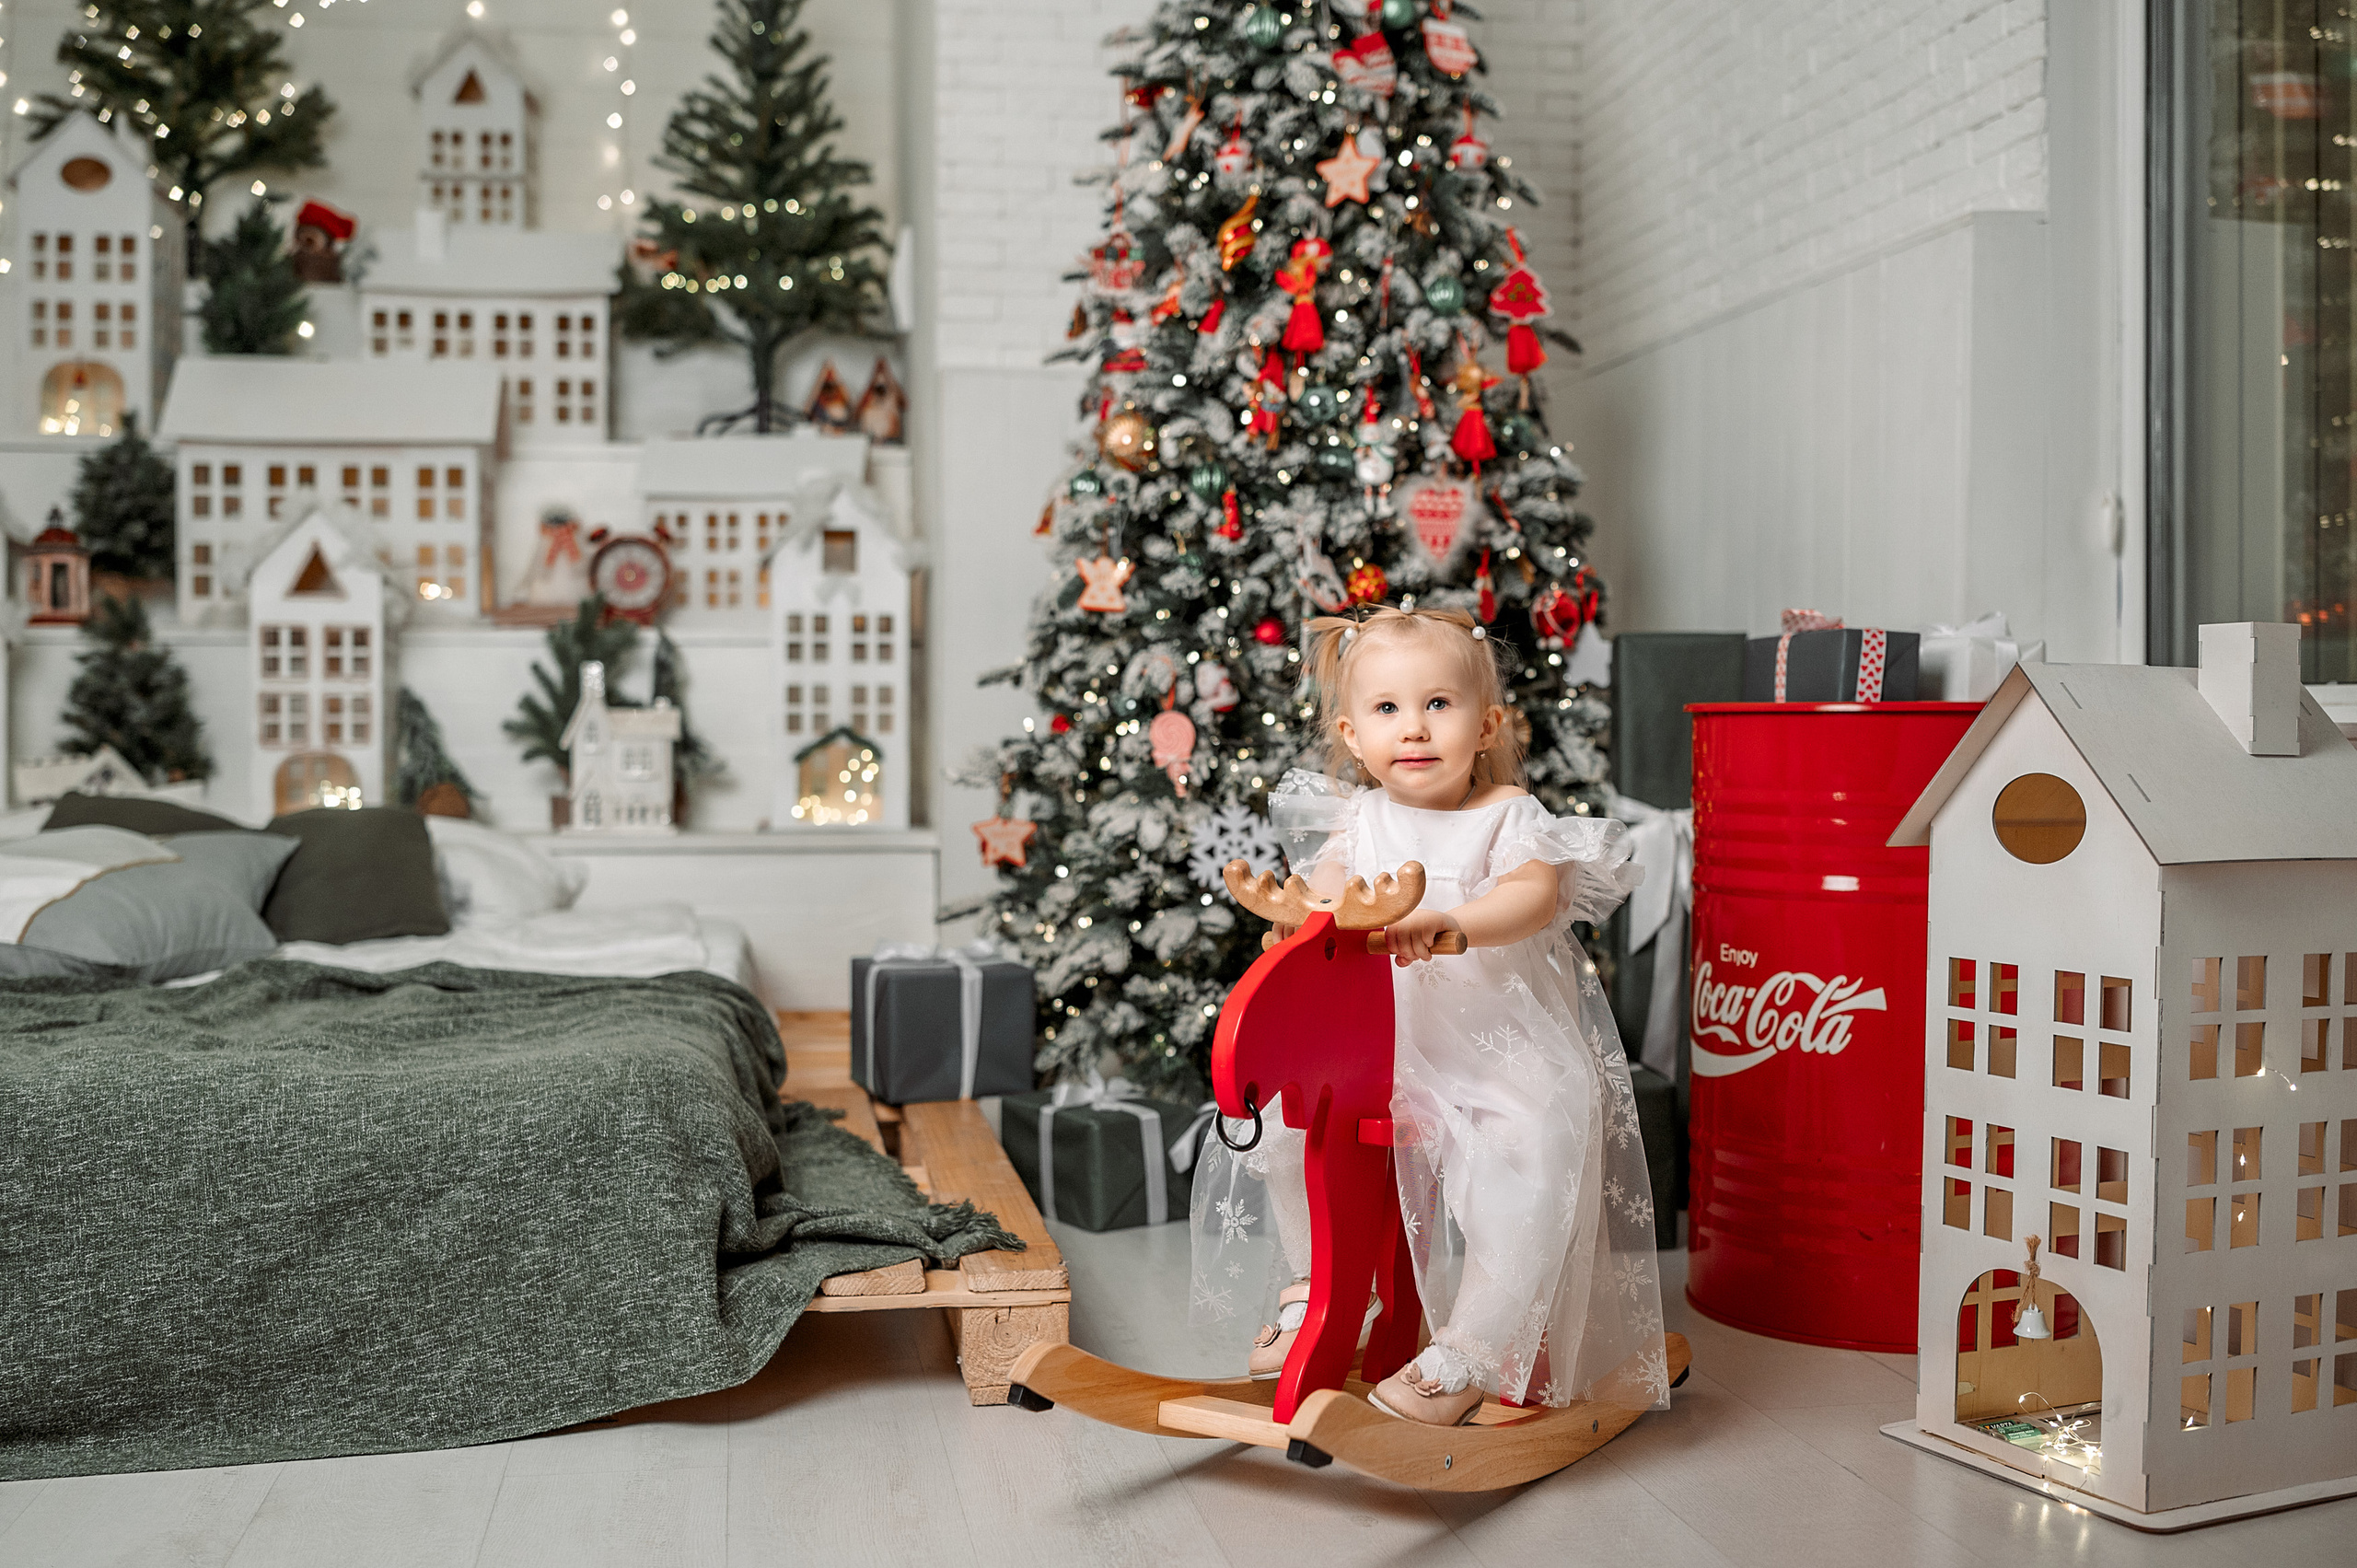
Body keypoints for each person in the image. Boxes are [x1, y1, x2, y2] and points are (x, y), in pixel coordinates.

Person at [1187, 605, 1668, 1426]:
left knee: (1534, 1135)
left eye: (1438, 705)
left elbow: (1532, 894)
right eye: (1387, 710)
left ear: (1486, 725)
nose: (1413, 728)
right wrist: (1301, 914)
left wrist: (1459, 923)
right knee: (1284, 1126)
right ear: (1352, 730)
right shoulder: (1359, 818)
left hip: (1491, 1042)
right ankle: (1325, 1288)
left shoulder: (1509, 814)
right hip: (1376, 1042)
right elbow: (1330, 901)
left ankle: (1478, 1346)